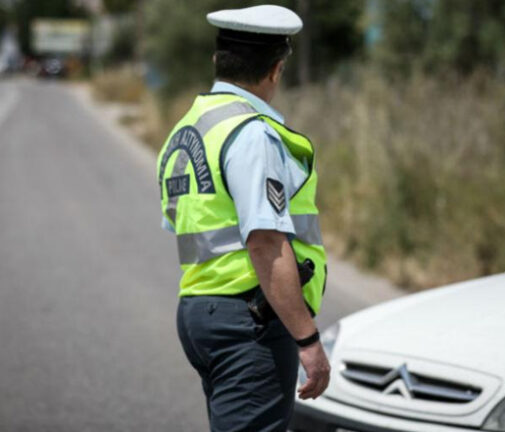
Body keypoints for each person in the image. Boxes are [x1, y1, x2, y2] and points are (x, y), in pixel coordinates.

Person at [156, 5, 330, 431]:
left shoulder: (188, 128)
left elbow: (183, 226)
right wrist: (308, 340)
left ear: (218, 61)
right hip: (248, 320)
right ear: (276, 70)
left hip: (199, 312)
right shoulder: (252, 134)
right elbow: (265, 244)